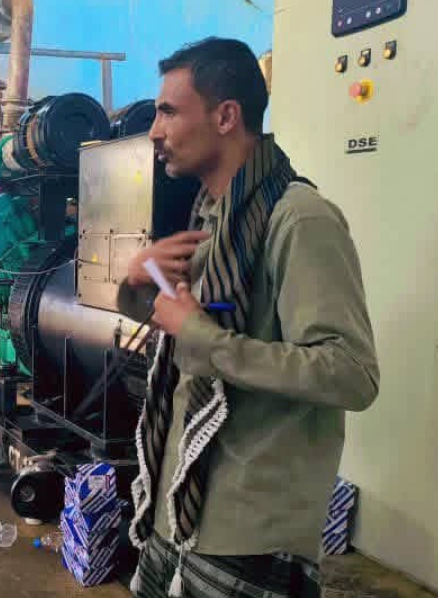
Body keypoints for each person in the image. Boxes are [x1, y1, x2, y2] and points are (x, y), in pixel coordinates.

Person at [117, 38, 379, 598]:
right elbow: (183, 325)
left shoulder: (299, 220)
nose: (154, 131)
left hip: (248, 531)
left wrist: (203, 337)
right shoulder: (213, 217)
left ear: (226, 116)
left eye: (168, 112)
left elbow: (351, 373)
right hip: (180, 508)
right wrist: (137, 283)